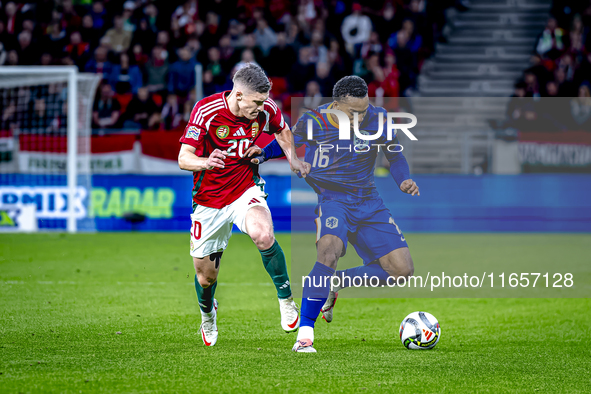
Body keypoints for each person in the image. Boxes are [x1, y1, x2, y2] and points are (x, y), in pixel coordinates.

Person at [253, 76, 418, 353]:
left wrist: (403, 180)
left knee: (402, 271)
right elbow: (288, 141)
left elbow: (395, 155)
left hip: (369, 201)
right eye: (354, 112)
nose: (361, 116)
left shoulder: (379, 119)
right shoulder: (314, 121)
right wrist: (262, 155)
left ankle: (338, 281)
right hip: (333, 200)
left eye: (364, 109)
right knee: (328, 252)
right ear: (336, 105)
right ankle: (305, 334)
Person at [177, 63, 310, 346]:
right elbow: (183, 157)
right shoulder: (206, 110)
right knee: (205, 278)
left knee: (263, 234)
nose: (261, 108)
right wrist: (204, 162)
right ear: (238, 95)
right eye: (256, 102)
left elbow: (283, 131)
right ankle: (208, 316)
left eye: (264, 101)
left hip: (244, 188)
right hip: (208, 201)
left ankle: (286, 299)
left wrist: (293, 159)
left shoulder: (267, 108)